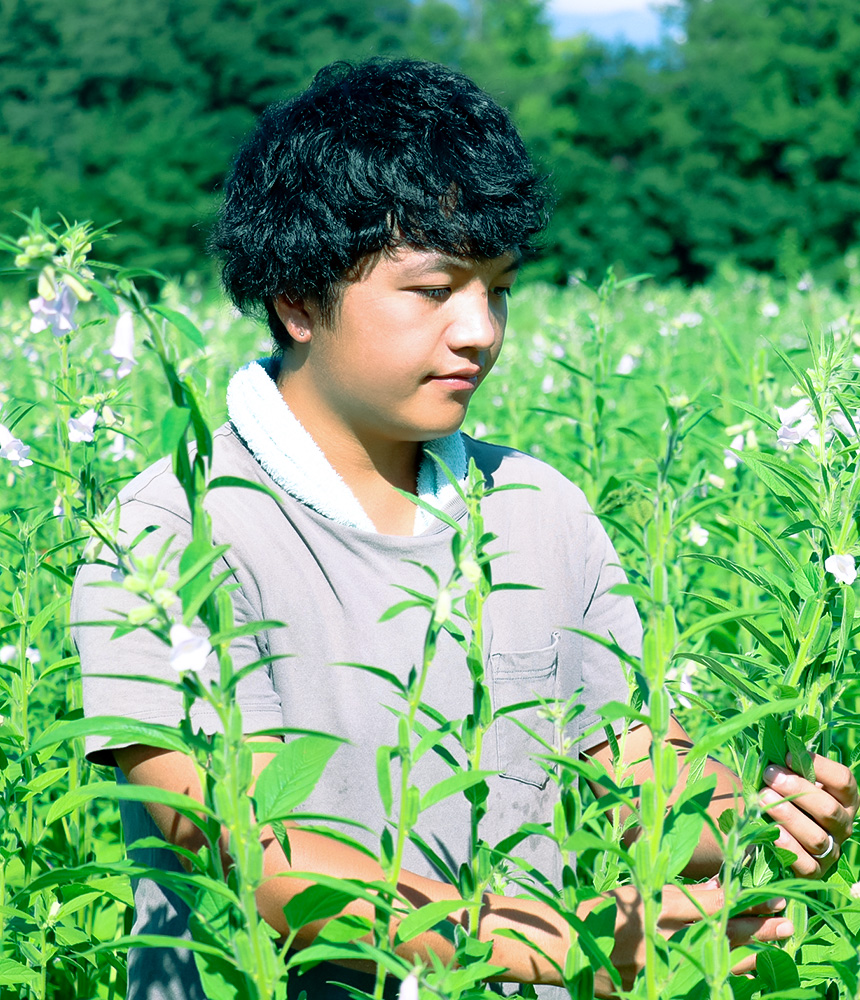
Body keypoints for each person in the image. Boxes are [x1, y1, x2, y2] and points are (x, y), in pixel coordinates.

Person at [72, 58, 858, 1000]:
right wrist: (560, 945)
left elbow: (629, 754)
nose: (480, 330)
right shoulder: (171, 530)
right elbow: (245, 843)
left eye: (499, 288)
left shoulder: (538, 508)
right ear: (296, 301)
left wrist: (753, 817)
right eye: (435, 289)